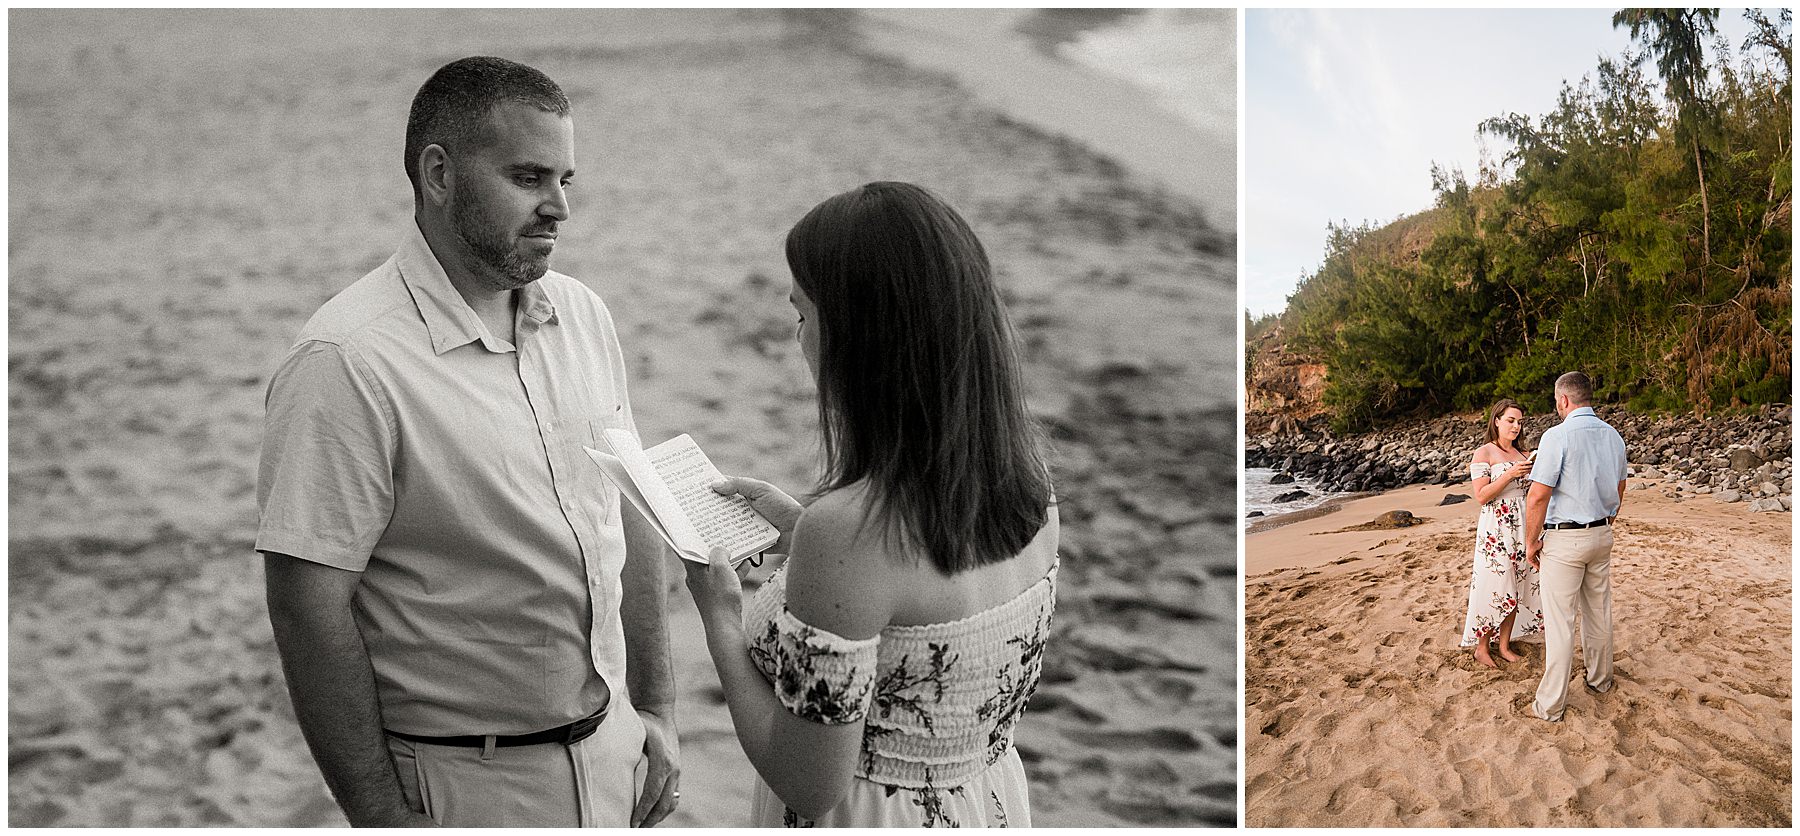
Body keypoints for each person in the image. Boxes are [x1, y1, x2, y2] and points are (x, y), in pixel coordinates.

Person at [256, 57, 680, 826]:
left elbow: (631, 507)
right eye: (529, 178)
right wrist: (382, 817)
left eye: (567, 181)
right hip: (466, 786)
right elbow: (306, 605)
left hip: (617, 759)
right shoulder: (348, 360)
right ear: (439, 174)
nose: (559, 208)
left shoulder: (583, 315)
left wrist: (657, 708)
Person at [683, 182, 1059, 827]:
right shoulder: (1027, 486)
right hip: (983, 803)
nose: (798, 339)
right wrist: (805, 536)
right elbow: (927, 613)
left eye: (804, 315)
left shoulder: (851, 532)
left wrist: (720, 616)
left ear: (860, 337)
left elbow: (808, 782)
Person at [1524, 371, 1628, 722]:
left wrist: (1531, 541)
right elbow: (1620, 488)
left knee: (1560, 621)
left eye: (1557, 401)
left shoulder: (1558, 435)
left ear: (1564, 400)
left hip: (1565, 539)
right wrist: (1606, 521)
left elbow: (1538, 495)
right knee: (1598, 612)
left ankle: (1551, 704)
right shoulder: (1613, 436)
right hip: (1601, 534)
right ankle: (1600, 681)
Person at [1459, 398, 1545, 669]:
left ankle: (1504, 645)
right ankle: (1482, 647)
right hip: (1496, 528)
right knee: (1495, 584)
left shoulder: (1522, 455)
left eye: (1520, 422)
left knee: (1516, 585)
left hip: (1522, 524)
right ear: (1496, 420)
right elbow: (1481, 496)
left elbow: (1533, 493)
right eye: (1510, 420)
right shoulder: (1484, 453)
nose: (1516, 426)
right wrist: (1509, 476)